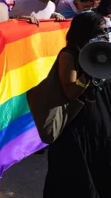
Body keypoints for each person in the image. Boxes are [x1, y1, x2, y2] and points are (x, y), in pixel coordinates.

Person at [43, 11, 111, 198]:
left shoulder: (104, 49)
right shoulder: (69, 54)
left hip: (102, 113)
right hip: (79, 121)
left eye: (105, 30)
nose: (103, 35)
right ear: (85, 32)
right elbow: (70, 92)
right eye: (100, 31)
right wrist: (88, 72)